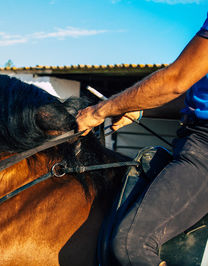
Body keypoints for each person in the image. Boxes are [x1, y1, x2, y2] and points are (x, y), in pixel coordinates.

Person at [75, 13, 208, 266]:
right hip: (193, 139)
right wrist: (142, 107)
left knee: (130, 245)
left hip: (204, 148)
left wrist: (98, 111)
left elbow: (177, 79)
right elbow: (195, 94)